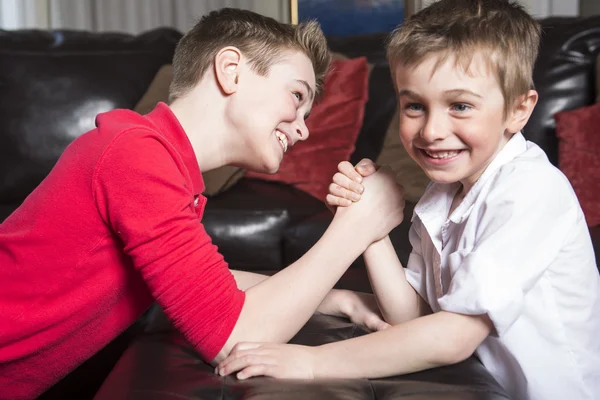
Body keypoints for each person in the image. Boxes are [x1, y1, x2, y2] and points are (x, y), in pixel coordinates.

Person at [0, 8, 406, 399]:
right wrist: (355, 227)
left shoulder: (168, 167)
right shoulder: (136, 154)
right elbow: (233, 336)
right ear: (231, 71)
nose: (302, 129)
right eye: (297, 96)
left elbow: (202, 286)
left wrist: (336, 298)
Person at [214, 1, 600, 399]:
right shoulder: (445, 193)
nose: (432, 130)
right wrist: (370, 226)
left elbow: (454, 336)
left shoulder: (529, 191)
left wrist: (312, 363)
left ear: (518, 110)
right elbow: (412, 316)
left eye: (460, 106)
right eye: (415, 106)